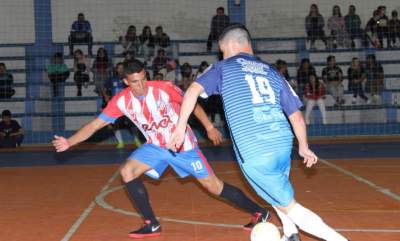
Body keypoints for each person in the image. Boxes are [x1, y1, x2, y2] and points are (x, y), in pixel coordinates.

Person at [168, 24, 349, 241]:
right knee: (274, 189)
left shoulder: (223, 67)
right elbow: (296, 116)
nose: (222, 54)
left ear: (233, 44)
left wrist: (180, 128)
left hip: (255, 149)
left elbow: (191, 92)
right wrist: (303, 145)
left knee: (290, 205)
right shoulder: (272, 71)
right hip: (282, 143)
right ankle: (291, 234)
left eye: (223, 50)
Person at [53, 59, 269, 238]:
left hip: (182, 146)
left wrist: (209, 127)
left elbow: (191, 104)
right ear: (126, 81)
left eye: (143, 79)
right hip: (155, 146)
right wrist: (70, 142)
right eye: (135, 82)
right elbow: (94, 125)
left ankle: (259, 212)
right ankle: (151, 223)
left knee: (214, 186)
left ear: (146, 75)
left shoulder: (164, 88)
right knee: (127, 172)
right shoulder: (120, 101)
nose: (141, 85)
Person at [103, 62, 141, 149]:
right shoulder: (112, 79)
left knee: (133, 123)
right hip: (116, 106)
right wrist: (106, 97)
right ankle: (120, 142)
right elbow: (104, 88)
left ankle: (136, 140)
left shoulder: (128, 79)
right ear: (116, 69)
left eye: (122, 68)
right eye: (118, 68)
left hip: (127, 105)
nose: (120, 70)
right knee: (115, 125)